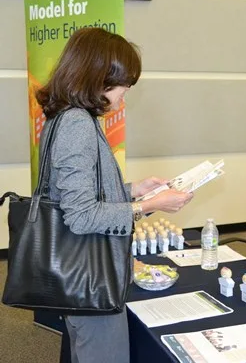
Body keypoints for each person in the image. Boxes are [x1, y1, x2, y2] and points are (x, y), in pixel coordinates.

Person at [35, 27, 193, 363]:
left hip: (78, 274)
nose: (125, 96)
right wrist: (149, 204)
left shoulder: (66, 117)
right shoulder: (77, 123)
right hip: (91, 278)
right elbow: (81, 215)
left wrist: (135, 190)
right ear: (100, 78)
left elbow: (80, 194)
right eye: (125, 86)